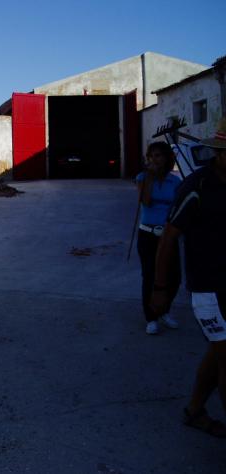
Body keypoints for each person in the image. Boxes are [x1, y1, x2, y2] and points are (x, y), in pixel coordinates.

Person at [151, 118, 226, 438]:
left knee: (218, 353)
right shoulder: (196, 187)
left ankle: (195, 410)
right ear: (219, 153)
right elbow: (168, 238)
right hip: (208, 289)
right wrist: (159, 288)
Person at [135, 142, 182, 335]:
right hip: (147, 233)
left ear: (166, 158)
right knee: (149, 276)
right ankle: (151, 317)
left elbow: (178, 208)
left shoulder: (175, 181)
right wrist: (150, 177)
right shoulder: (142, 178)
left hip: (168, 235)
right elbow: (145, 201)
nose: (154, 159)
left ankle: (164, 310)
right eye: (151, 156)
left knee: (175, 277)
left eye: (158, 155)